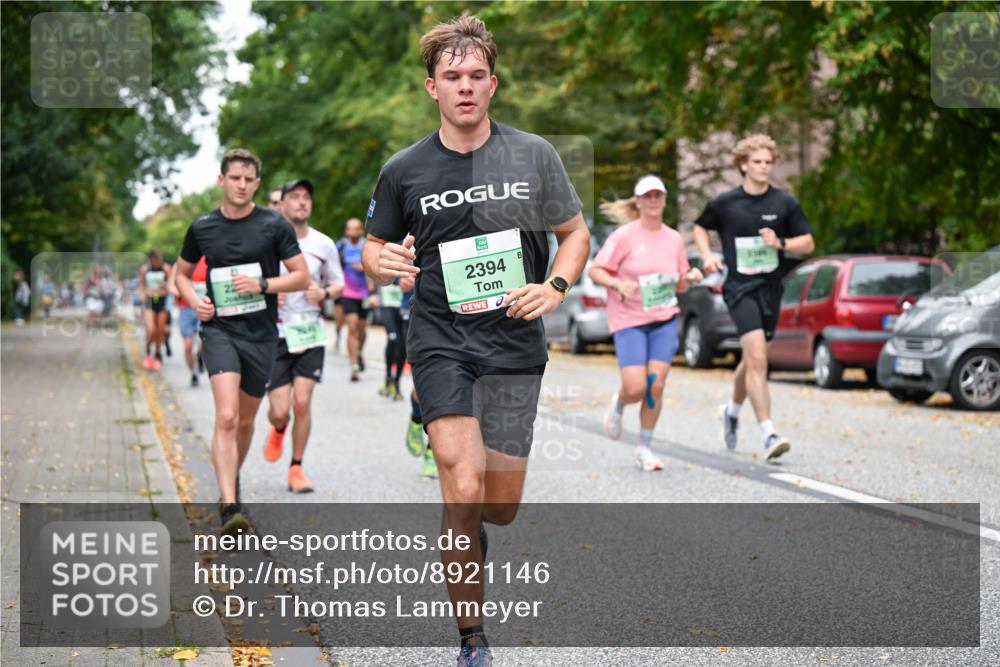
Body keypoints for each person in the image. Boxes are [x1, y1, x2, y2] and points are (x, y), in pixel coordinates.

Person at [363, 13, 590, 666]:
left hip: (515, 342)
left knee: (499, 506)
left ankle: (472, 534)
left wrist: (555, 284)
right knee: (461, 489)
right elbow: (373, 250)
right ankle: (473, 638)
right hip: (440, 338)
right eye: (451, 76)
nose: (465, 86)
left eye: (476, 76)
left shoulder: (534, 155)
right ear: (430, 86)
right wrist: (384, 263)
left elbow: (575, 233)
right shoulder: (403, 169)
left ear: (494, 84)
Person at [174, 148, 308, 535]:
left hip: (261, 334)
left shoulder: (274, 225)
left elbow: (300, 276)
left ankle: (231, 484)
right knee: (228, 415)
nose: (242, 185)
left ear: (258, 184)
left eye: (249, 179)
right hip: (219, 330)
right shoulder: (202, 227)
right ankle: (230, 502)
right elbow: (180, 274)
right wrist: (193, 299)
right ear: (221, 180)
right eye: (235, 178)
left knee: (247, 420)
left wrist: (264, 284)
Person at [693, 133, 814, 460]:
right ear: (744, 165)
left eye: (768, 162)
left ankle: (732, 410)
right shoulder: (726, 203)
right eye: (757, 162)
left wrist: (781, 244)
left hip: (771, 289)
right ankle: (768, 432)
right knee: (759, 360)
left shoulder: (784, 203)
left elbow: (808, 243)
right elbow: (700, 227)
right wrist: (707, 256)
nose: (763, 167)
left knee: (752, 359)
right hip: (739, 288)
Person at [590, 175, 703, 471]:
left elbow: (679, 284)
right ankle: (619, 403)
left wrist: (690, 278)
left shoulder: (674, 238)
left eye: (658, 195)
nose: (653, 200)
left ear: (664, 200)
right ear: (638, 202)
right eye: (647, 196)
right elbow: (596, 270)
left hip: (663, 318)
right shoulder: (625, 236)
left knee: (656, 384)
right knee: (635, 387)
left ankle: (644, 447)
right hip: (629, 320)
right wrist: (616, 284)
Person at [262, 178, 344, 493]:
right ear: (281, 205)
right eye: (294, 197)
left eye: (306, 197)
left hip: (310, 331)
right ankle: (278, 428)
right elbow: (250, 281)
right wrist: (270, 292)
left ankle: (296, 467)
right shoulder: (266, 242)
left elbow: (338, 284)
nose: (301, 202)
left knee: (302, 401)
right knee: (280, 410)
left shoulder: (323, 244)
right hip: (275, 334)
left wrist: (322, 292)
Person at [169, 255, 209, 386]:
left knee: (204, 341)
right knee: (187, 346)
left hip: (204, 307)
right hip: (186, 309)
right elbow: (171, 286)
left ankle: (200, 356)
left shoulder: (209, 258)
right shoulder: (181, 262)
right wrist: (185, 292)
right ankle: (194, 372)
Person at [340, 218, 371, 381]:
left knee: (362, 331)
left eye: (356, 229)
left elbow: (373, 270)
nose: (352, 232)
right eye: (349, 229)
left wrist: (373, 294)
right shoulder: (342, 247)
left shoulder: (367, 246)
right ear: (346, 231)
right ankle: (353, 366)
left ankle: (359, 352)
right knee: (352, 328)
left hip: (364, 294)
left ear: (361, 231)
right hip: (348, 293)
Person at [138, 250, 171, 370]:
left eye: (158, 259)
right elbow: (140, 285)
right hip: (149, 302)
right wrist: (144, 293)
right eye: (154, 259)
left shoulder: (166, 269)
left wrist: (165, 287)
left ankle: (157, 354)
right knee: (151, 330)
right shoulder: (145, 269)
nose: (156, 262)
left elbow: (171, 284)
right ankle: (147, 352)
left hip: (161, 302)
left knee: (160, 331)